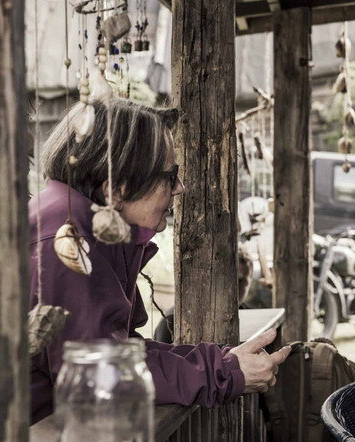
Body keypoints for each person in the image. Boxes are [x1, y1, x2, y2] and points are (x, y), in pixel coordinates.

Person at [29, 98, 290, 425]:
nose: (180, 188)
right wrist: (222, 372)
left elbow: (120, 352)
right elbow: (97, 371)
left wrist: (222, 363)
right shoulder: (66, 240)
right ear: (116, 190)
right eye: (170, 176)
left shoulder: (82, 224)